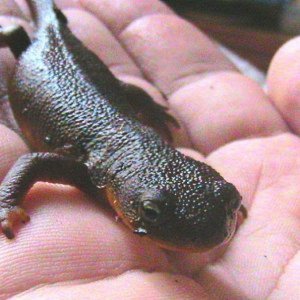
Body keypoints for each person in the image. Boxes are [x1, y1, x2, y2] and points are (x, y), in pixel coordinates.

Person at [0, 0, 299, 299]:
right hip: (37, 63)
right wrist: (8, 200)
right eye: (152, 211)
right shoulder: (91, 169)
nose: (210, 234)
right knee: (27, 46)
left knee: (119, 94)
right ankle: (14, 38)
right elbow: (33, 162)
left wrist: (222, 209)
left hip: (93, 91)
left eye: (228, 198)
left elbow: (36, 160)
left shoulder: (134, 159)